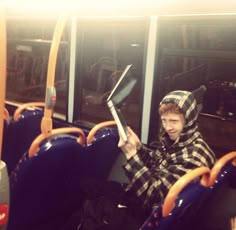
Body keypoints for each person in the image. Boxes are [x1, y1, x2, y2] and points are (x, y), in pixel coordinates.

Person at [118, 90, 216, 213]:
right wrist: (138, 147)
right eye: (164, 120)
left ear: (188, 122)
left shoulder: (193, 156)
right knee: (92, 188)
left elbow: (154, 197)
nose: (167, 127)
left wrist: (131, 155)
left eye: (174, 121)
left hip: (150, 216)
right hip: (141, 201)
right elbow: (156, 163)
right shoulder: (177, 141)